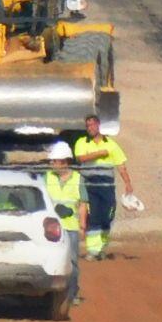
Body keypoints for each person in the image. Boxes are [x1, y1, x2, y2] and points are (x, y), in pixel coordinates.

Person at [74, 115, 136, 259]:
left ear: (98, 125)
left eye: (92, 125)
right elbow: (81, 158)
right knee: (95, 215)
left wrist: (127, 183)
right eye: (88, 126)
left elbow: (121, 165)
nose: (90, 128)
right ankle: (93, 250)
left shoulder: (111, 144)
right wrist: (99, 153)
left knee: (108, 215)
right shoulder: (82, 142)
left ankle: (102, 247)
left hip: (107, 185)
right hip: (91, 183)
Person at [44, 140, 88, 305]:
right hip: (52, 229)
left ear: (64, 161)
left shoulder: (78, 179)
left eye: (55, 161)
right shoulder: (47, 177)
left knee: (72, 262)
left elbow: (83, 204)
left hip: (70, 227)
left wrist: (82, 226)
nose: (52, 164)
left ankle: (72, 294)